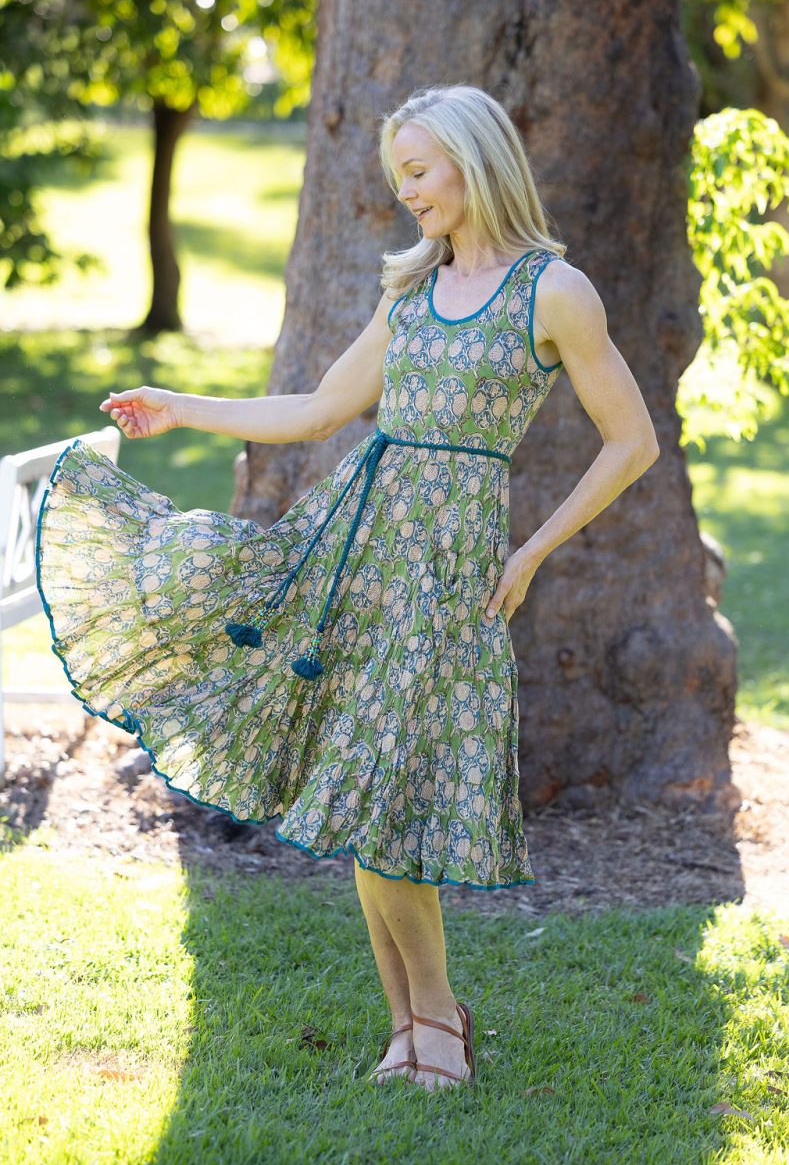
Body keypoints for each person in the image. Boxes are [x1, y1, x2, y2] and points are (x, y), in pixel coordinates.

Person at [35, 83, 659, 1092]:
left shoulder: (553, 292)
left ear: (473, 159)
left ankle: (436, 1021)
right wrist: (178, 407)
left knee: (388, 800)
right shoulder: (410, 290)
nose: (405, 192)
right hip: (360, 557)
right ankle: (416, 1025)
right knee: (368, 798)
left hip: (452, 575)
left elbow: (630, 442)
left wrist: (530, 551)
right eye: (395, 175)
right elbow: (322, 407)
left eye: (417, 170)